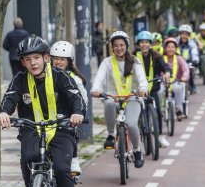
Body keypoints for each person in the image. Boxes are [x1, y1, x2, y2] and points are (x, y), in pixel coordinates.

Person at [0, 35, 86, 187]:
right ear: (22, 62)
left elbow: (75, 97)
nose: (32, 63)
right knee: (28, 157)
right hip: (32, 127)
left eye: (36, 58)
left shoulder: (61, 76)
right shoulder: (20, 79)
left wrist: (78, 113)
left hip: (61, 128)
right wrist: (3, 112)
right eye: (27, 59)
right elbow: (10, 97)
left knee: (63, 170)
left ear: (46, 57)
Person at [91, 31, 148, 168]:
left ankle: (137, 150)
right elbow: (99, 78)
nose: (118, 48)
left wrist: (143, 89)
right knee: (109, 103)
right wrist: (96, 90)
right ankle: (111, 135)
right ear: (112, 47)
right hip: (113, 98)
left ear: (126, 46)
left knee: (131, 123)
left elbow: (142, 79)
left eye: (121, 45)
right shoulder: (107, 62)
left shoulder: (135, 61)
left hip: (133, 98)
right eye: (115, 45)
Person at [50, 40, 88, 176]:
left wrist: (79, 114)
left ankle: (73, 158)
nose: (58, 62)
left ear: (69, 61)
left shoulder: (76, 80)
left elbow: (83, 100)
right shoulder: (47, 76)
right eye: (55, 58)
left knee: (71, 130)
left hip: (68, 116)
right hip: (48, 116)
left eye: (62, 59)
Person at [134, 31, 171, 147]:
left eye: (146, 42)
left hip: (153, 89)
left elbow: (165, 66)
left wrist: (167, 72)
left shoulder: (156, 56)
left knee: (158, 112)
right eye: (142, 42)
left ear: (150, 44)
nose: (144, 45)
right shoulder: (133, 57)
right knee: (136, 113)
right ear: (138, 44)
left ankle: (159, 136)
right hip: (138, 91)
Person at [159, 37, 190, 121]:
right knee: (159, 91)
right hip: (163, 82)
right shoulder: (161, 58)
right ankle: (160, 109)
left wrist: (184, 77)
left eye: (173, 47)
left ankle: (178, 109)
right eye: (168, 47)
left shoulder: (179, 58)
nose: (170, 49)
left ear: (176, 49)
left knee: (178, 88)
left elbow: (186, 69)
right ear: (165, 48)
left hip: (175, 81)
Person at [177, 24, 200, 93]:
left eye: (186, 34)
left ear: (189, 35)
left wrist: (195, 60)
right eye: (182, 34)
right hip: (176, 63)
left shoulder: (192, 43)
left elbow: (194, 52)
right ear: (180, 34)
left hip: (188, 62)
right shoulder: (175, 42)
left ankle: (192, 86)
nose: (184, 36)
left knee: (189, 72)